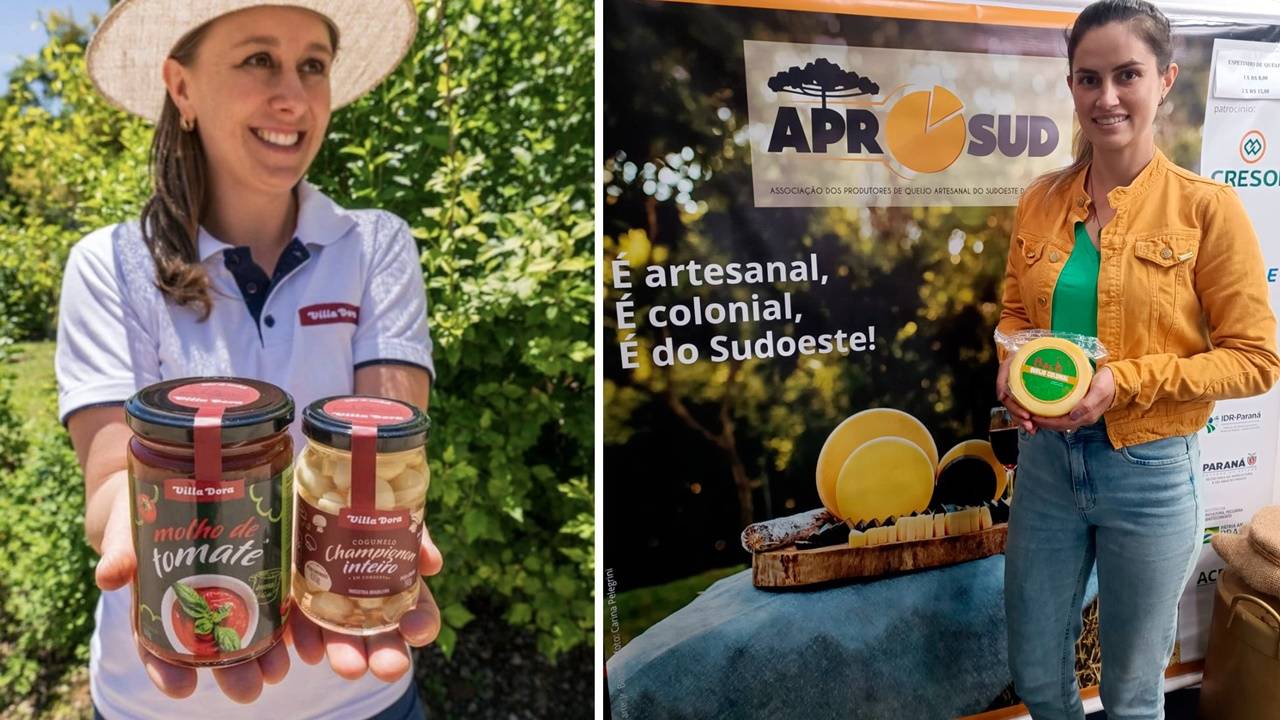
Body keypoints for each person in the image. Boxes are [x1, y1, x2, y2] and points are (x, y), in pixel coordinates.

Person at [55, 1, 441, 717]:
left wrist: (377, 540)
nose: (292, 96)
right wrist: (127, 525)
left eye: (313, 66)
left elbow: (387, 448)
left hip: (358, 689)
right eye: (258, 59)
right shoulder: (109, 265)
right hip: (160, 694)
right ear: (182, 87)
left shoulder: (374, 246)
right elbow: (111, 478)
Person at [995, 1, 1280, 718]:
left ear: (1165, 81)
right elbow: (1016, 316)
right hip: (1048, 470)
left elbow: (1256, 359)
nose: (1108, 96)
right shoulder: (1039, 202)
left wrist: (1126, 381)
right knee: (1035, 674)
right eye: (1089, 79)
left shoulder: (1206, 210)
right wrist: (1010, 363)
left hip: (1150, 472)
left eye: (1128, 75)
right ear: (1071, 86)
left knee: (1129, 694)